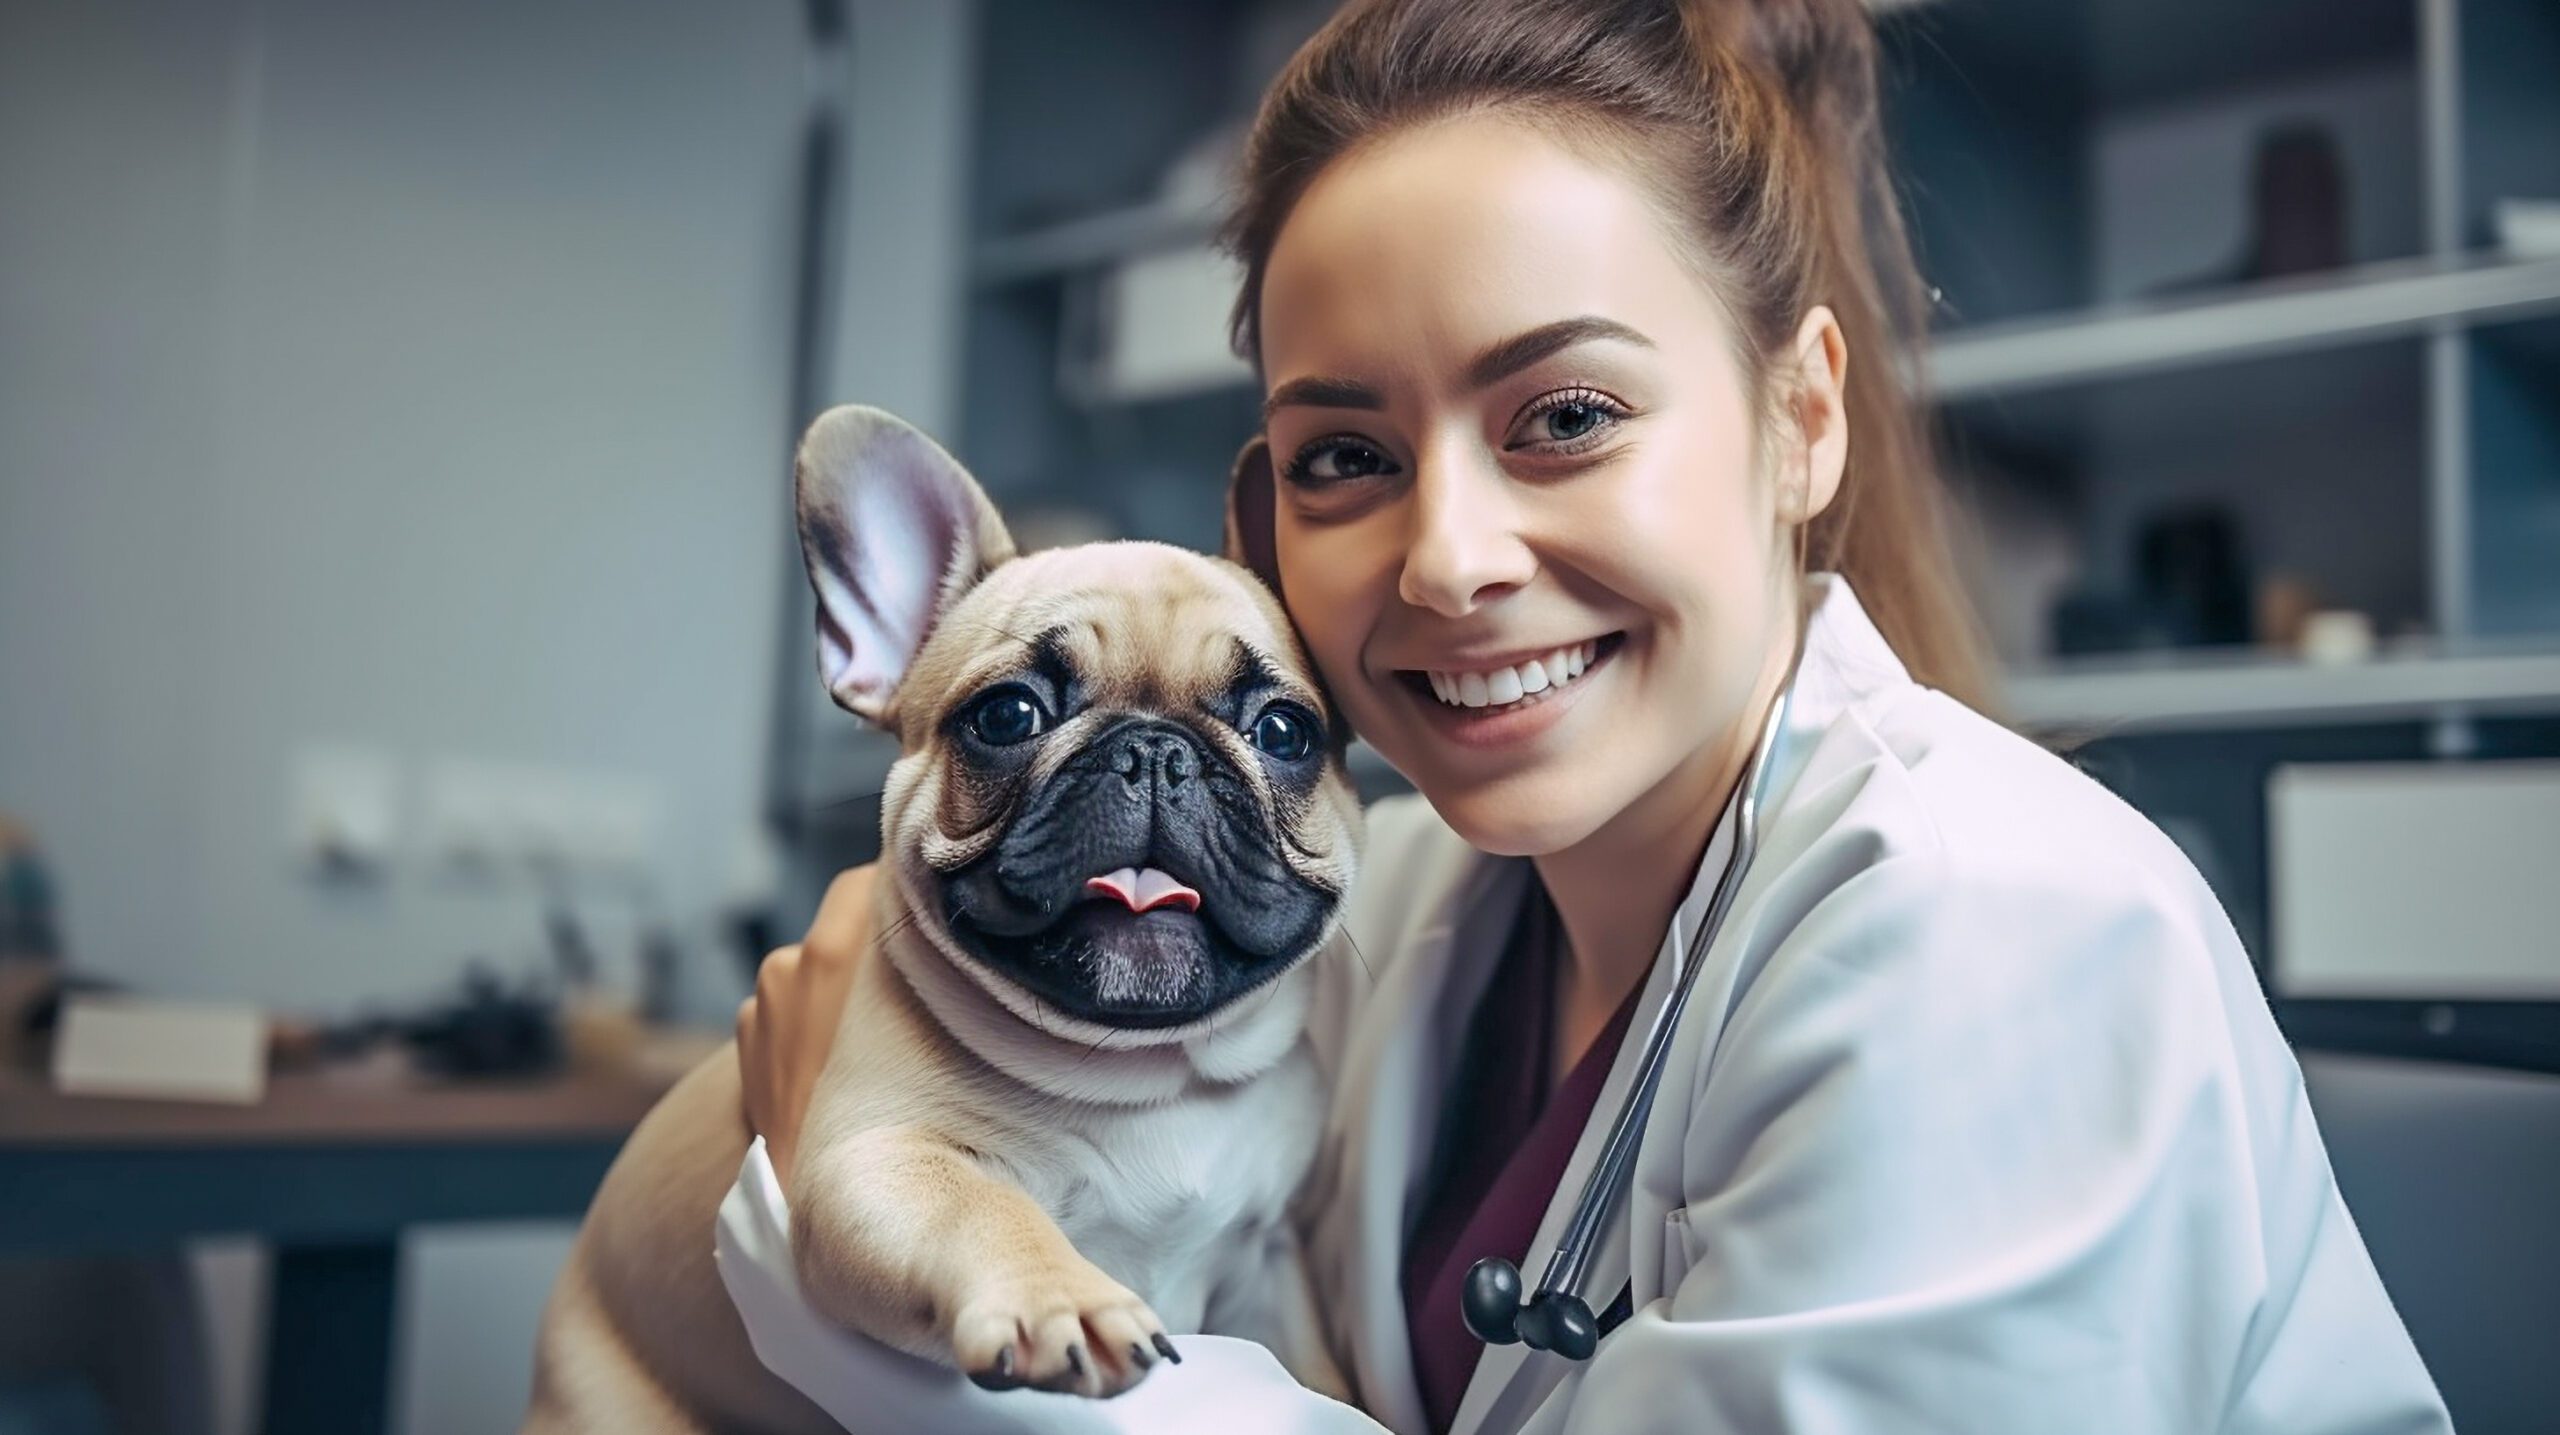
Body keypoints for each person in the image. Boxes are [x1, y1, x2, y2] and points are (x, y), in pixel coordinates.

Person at [722, 1, 2454, 1431]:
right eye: (1348, 457)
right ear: (1266, 536)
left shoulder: (2008, 936)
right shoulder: (1376, 914)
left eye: (1564, 416)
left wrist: (853, 1240)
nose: (1452, 560)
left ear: (1802, 421)